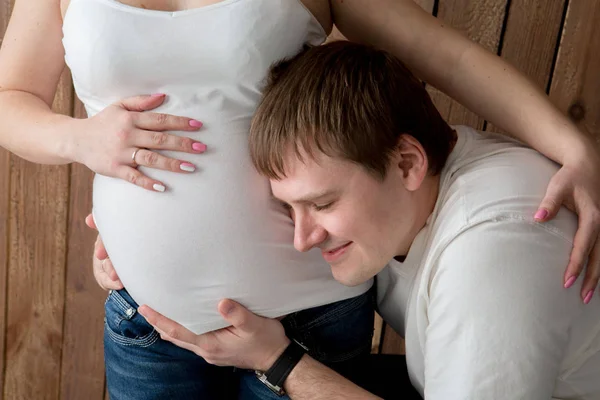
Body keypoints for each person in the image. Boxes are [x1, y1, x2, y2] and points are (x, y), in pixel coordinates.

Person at [1, 0, 599, 398]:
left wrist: (573, 149)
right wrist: (79, 139)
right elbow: (9, 98)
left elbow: (445, 55)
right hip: (149, 314)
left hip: (308, 315)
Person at [140, 41, 600, 400]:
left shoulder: (491, 257)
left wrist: (276, 361)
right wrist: (147, 248)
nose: (302, 240)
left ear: (406, 163)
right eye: (288, 209)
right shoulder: (409, 198)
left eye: (322, 204)